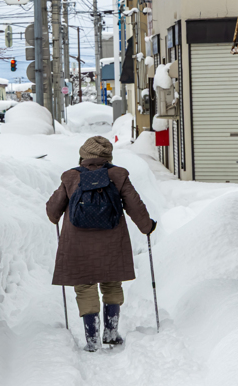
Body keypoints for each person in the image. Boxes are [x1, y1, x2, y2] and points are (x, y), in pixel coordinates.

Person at [46, 135, 156, 351]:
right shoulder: (118, 175)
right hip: (112, 241)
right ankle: (111, 333)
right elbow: (135, 205)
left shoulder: (70, 177)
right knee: (112, 282)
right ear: (108, 156)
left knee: (85, 287)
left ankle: (92, 340)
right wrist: (147, 227)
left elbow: (52, 212)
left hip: (77, 244)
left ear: (83, 156)